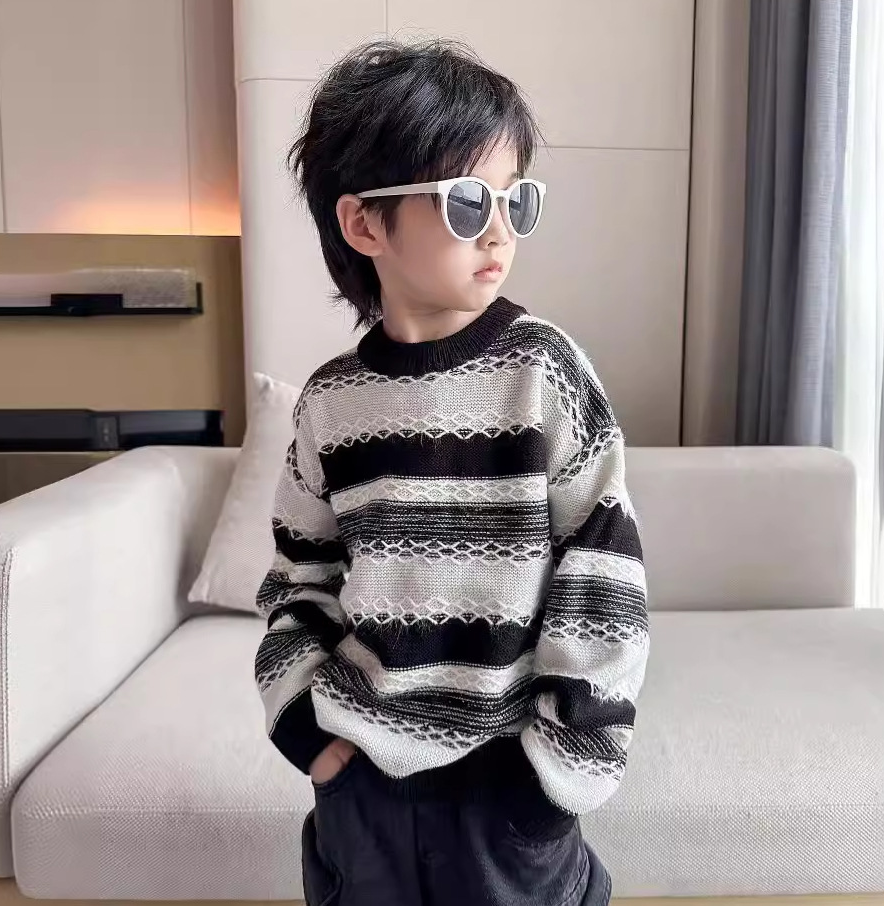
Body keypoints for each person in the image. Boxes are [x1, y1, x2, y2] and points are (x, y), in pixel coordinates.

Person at [254, 38, 650, 906]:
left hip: (508, 790)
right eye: (468, 202)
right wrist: (306, 730)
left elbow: (603, 573)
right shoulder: (330, 403)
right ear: (365, 225)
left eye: (515, 199)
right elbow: (298, 577)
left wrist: (558, 774)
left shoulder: (545, 373)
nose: (500, 229)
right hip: (362, 789)